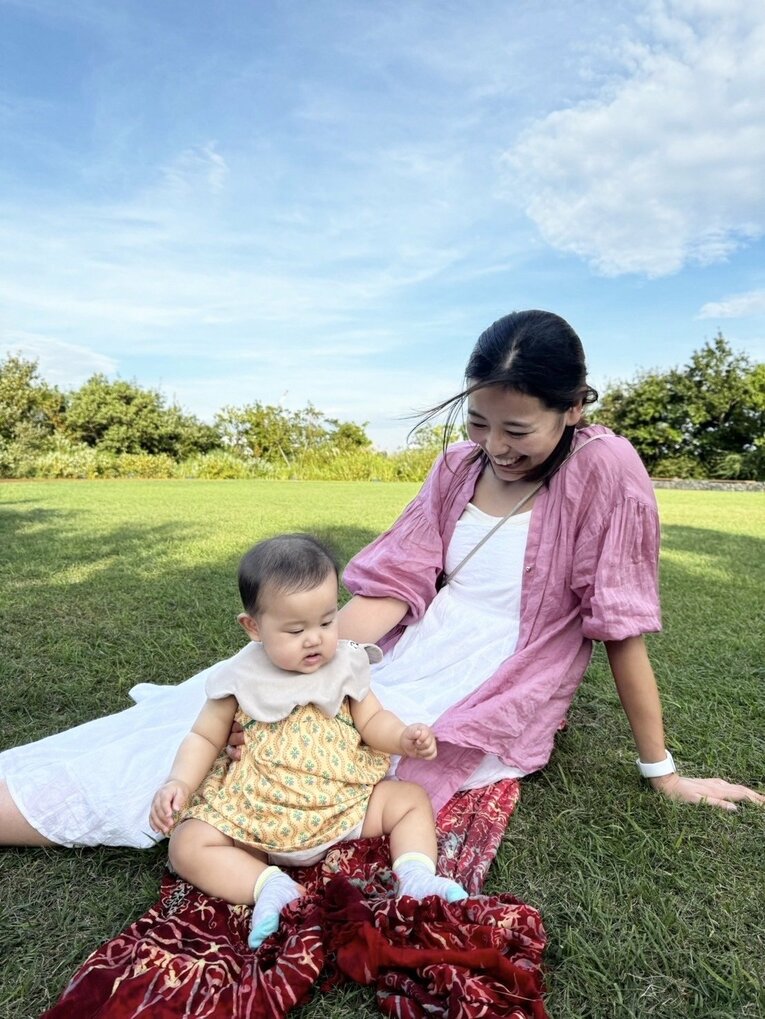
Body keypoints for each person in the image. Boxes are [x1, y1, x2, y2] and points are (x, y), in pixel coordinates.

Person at [0, 309, 762, 849]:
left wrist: (662, 773)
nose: (491, 446)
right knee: (230, 703)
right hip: (406, 645)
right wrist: (312, 656)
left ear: (570, 407)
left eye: (516, 429)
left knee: (296, 758)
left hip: (496, 674)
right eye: (476, 422)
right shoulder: (456, 465)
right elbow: (395, 585)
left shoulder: (608, 469)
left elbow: (619, 630)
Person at [148, 533, 467, 948]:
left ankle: (417, 875)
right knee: (187, 843)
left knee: (410, 799)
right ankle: (267, 886)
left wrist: (404, 738)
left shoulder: (346, 664)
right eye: (296, 629)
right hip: (256, 816)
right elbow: (204, 737)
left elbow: (373, 720)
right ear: (253, 627)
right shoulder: (238, 679)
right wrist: (179, 783)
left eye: (327, 621)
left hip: (342, 805)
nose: (315, 638)